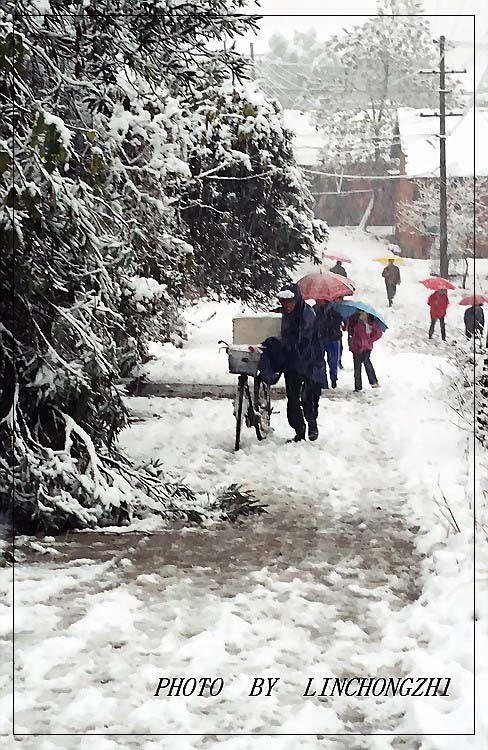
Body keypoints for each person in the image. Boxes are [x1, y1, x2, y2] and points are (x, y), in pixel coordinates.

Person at [278, 283, 327, 442]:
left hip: (311, 364)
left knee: (309, 399)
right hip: (293, 364)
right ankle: (300, 432)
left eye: (290, 301)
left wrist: (283, 343)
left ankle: (312, 423)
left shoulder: (307, 315)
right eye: (284, 302)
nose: (287, 305)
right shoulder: (285, 314)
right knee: (292, 401)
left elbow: (301, 339)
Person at [344, 311, 382, 392]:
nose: (362, 315)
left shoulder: (371, 322)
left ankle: (373, 382)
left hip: (366, 347)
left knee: (366, 362)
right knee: (357, 367)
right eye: (361, 313)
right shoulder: (353, 320)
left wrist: (370, 340)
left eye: (364, 313)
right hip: (356, 346)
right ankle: (358, 386)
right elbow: (348, 329)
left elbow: (378, 333)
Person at [315, 300, 343, 388]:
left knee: (333, 361)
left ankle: (333, 378)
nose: (317, 300)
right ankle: (324, 382)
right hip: (320, 339)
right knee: (320, 361)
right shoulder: (314, 310)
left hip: (333, 338)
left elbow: (340, 320)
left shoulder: (335, 309)